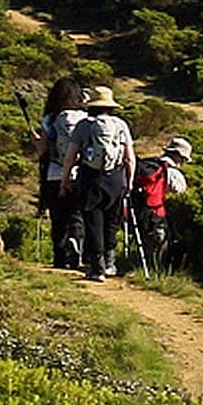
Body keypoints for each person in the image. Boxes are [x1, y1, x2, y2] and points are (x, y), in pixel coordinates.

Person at [60, 85, 136, 282]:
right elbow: (130, 158)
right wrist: (129, 182)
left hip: (90, 178)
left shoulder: (84, 126)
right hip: (115, 179)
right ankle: (110, 263)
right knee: (112, 222)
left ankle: (97, 268)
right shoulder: (121, 125)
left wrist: (65, 180)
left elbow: (70, 156)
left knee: (93, 224)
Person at [31, 76, 88, 269]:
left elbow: (43, 150)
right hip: (79, 174)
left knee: (58, 217)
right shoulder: (85, 118)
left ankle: (60, 258)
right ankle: (77, 247)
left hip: (54, 173)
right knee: (77, 214)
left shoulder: (51, 119)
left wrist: (36, 142)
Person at [131, 137, 192, 272]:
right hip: (156, 213)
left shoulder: (150, 165)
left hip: (138, 210)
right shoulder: (173, 173)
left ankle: (140, 263)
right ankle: (157, 268)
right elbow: (180, 193)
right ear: (179, 156)